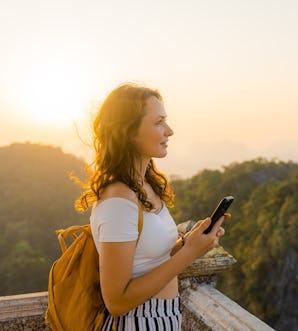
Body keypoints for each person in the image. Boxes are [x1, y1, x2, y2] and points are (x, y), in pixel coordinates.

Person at [76, 83, 227, 330]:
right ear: (128, 131)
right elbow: (116, 301)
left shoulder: (144, 186)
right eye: (159, 122)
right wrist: (189, 254)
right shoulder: (118, 202)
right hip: (137, 322)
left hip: (162, 317)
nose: (170, 131)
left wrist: (189, 243)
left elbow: (149, 261)